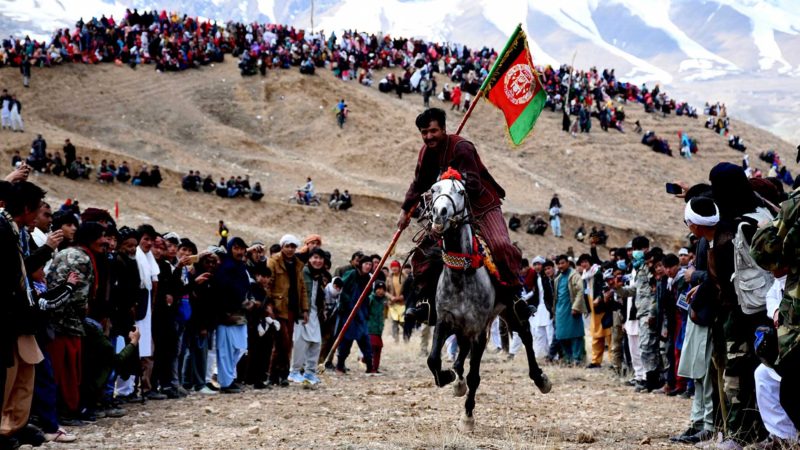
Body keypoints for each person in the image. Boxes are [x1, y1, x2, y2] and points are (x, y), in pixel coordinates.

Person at [399, 108, 526, 326]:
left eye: (433, 131)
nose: (429, 137)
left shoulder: (463, 148)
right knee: (423, 252)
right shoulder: (426, 153)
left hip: (482, 206)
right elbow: (419, 183)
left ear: (444, 129)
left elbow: (474, 185)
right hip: (450, 210)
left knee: (500, 246)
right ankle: (426, 303)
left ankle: (514, 298)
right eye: (424, 132)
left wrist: (448, 184)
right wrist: (405, 210)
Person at [0, 181, 47, 449]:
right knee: (7, 377)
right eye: (38, 208)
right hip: (7, 316)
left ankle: (12, 427)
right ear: (27, 208)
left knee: (24, 372)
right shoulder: (2, 229)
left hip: (19, 315)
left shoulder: (13, 231)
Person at [266, 235, 309, 386]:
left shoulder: (298, 264)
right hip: (278, 307)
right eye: (287, 246)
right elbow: (268, 284)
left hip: (291, 308)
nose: (290, 249)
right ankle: (272, 374)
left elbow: (302, 288)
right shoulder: (273, 262)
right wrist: (269, 304)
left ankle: (282, 375)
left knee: (287, 343)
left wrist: (304, 309)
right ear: (282, 246)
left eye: (293, 246)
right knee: (282, 342)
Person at [213, 237, 251, 394]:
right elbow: (220, 292)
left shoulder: (241, 268)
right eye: (236, 248)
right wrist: (223, 313)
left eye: (242, 249)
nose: (239, 252)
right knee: (225, 350)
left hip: (239, 314)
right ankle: (226, 382)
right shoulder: (224, 268)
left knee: (240, 348)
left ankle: (229, 377)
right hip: (226, 315)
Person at [288, 248, 327, 385]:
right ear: (309, 259)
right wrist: (302, 310)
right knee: (300, 343)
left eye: (320, 258)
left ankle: (310, 372)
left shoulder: (320, 275)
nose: (318, 261)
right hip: (302, 313)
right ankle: (294, 371)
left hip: (315, 314)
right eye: (315, 258)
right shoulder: (303, 273)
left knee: (316, 343)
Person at [335, 255, 374, 374]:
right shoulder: (352, 274)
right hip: (349, 312)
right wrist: (349, 303)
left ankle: (370, 366)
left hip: (361, 312)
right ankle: (340, 365)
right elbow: (342, 289)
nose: (368, 266)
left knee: (364, 338)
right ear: (361, 264)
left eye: (370, 264)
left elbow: (367, 296)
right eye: (366, 264)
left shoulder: (368, 278)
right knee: (347, 339)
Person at [553, 255, 586, 365]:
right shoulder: (558, 279)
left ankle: (577, 359)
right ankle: (568, 358)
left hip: (572, 309)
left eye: (563, 263)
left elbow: (580, 291)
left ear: (567, 263)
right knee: (561, 335)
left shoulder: (574, 276)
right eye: (558, 264)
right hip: (560, 310)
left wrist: (576, 307)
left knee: (576, 334)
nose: (560, 266)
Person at [367, 281, 388, 374]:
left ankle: (375, 368)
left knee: (378, 348)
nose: (381, 291)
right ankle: (370, 366)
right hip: (370, 327)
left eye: (383, 289)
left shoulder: (384, 301)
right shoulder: (370, 299)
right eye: (378, 289)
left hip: (379, 329)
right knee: (373, 346)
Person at [385, 261, 405, 344]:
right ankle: (395, 340)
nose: (394, 268)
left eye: (396, 266)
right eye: (392, 266)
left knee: (403, 322)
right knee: (394, 323)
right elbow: (385, 291)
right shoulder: (389, 278)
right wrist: (391, 297)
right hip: (393, 304)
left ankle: (406, 338)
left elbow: (409, 289)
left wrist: (402, 296)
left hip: (403, 303)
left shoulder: (405, 277)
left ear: (399, 267)